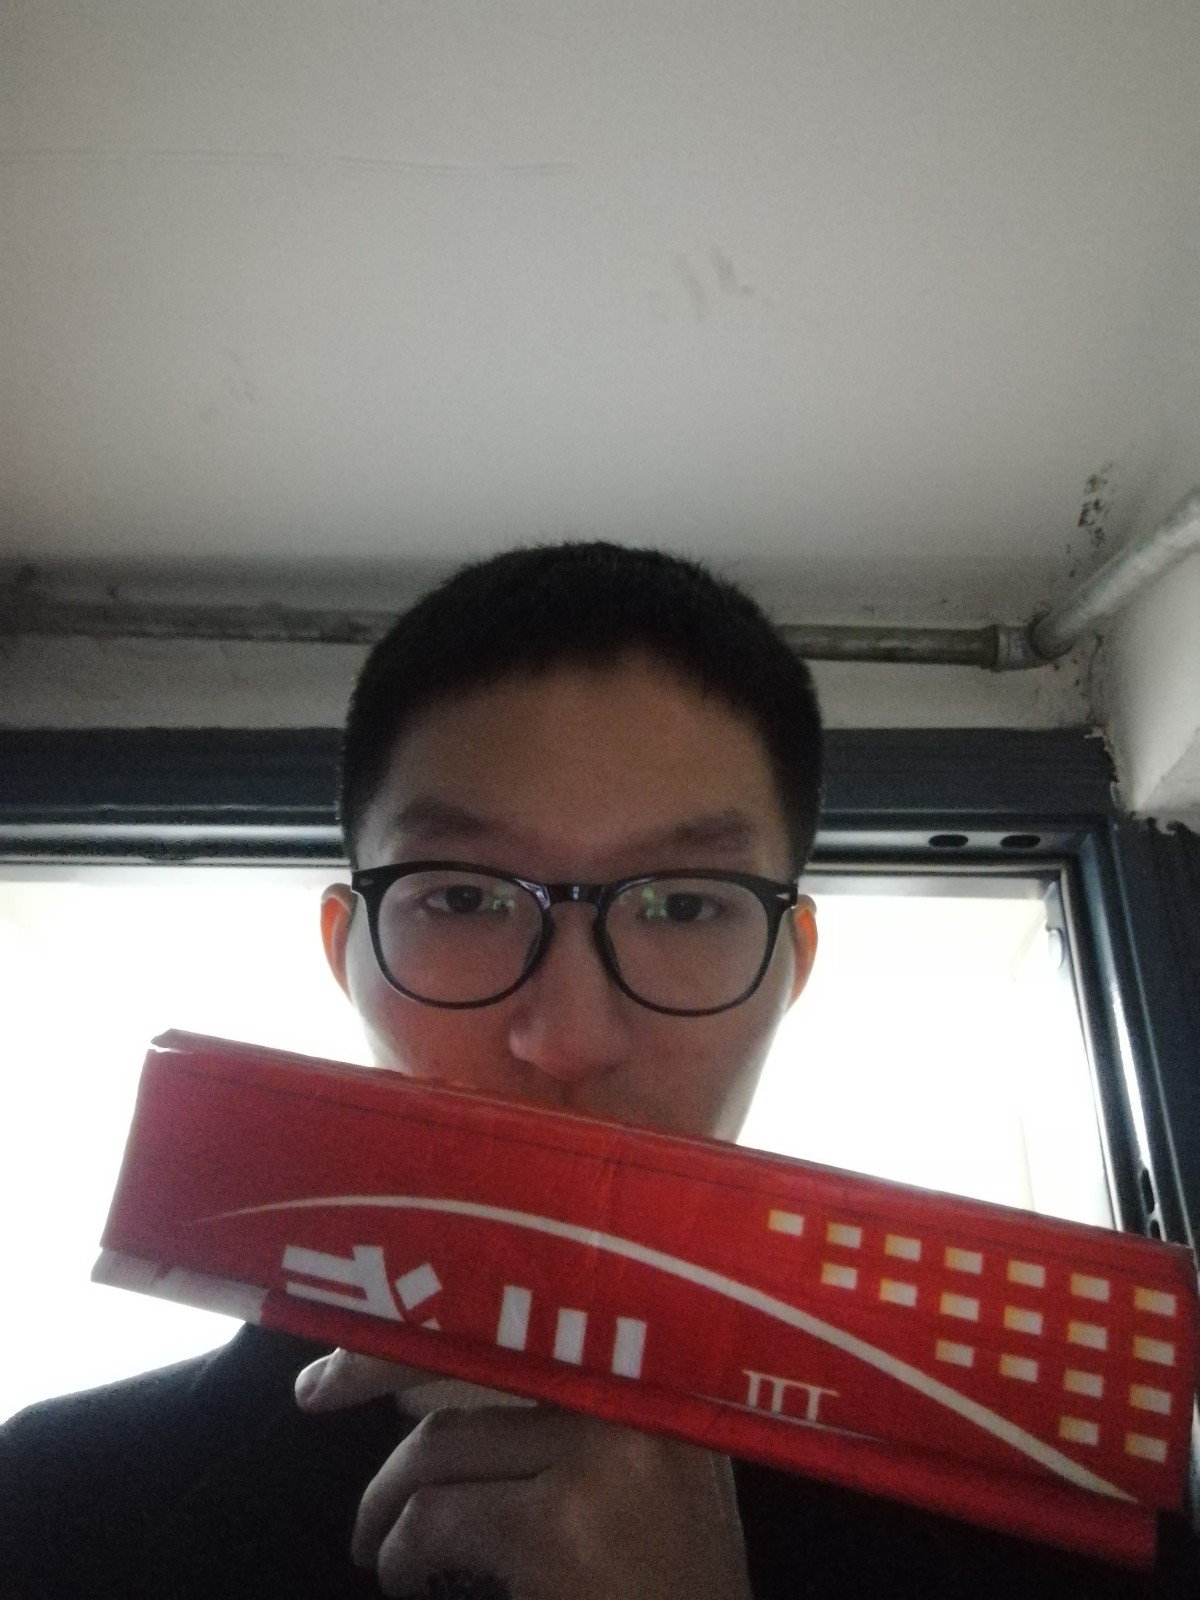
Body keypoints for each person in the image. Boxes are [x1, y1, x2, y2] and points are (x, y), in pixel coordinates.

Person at [0, 543, 1193, 1598]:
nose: (568, 1038)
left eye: (683, 903)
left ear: (788, 968)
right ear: (345, 954)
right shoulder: (50, 1509)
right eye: (463, 898)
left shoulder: (1070, 1552)